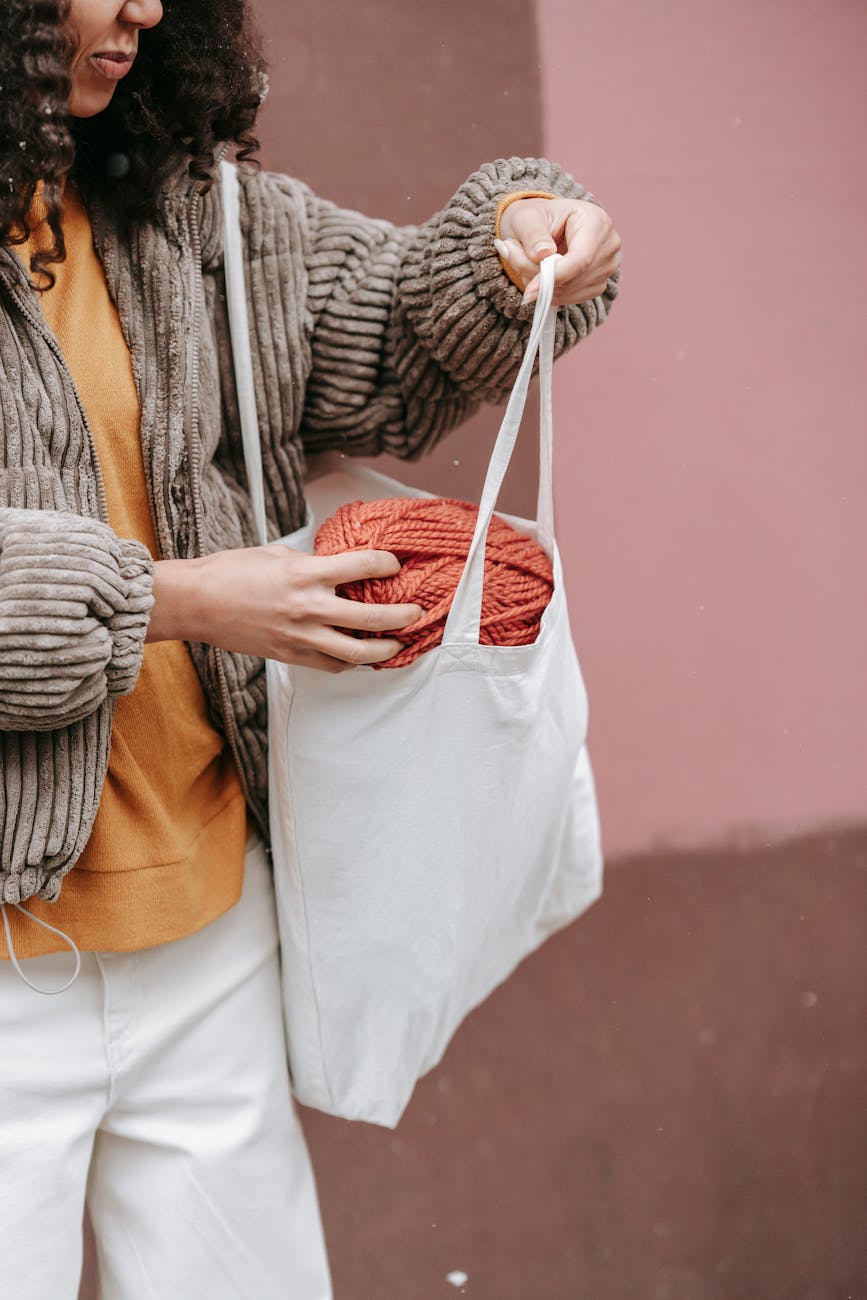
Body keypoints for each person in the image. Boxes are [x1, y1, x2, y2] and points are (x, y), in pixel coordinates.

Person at [0, 1, 621, 1297]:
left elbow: (396, 322)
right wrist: (179, 600)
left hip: (210, 934)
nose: (145, 9)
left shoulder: (184, 211)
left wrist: (515, 243)